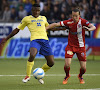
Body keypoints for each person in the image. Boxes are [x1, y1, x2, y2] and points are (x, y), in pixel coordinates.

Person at [0, 4, 54, 84]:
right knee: (32, 55)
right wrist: (7, 38)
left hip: (45, 41)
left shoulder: (43, 18)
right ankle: (27, 76)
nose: (36, 12)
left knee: (51, 63)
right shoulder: (27, 19)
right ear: (32, 10)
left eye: (38, 10)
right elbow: (17, 29)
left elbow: (49, 27)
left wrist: (62, 27)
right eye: (34, 10)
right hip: (35, 40)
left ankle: (40, 73)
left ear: (40, 11)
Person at [46, 8, 96, 84]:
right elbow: (56, 24)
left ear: (79, 15)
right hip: (71, 47)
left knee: (83, 67)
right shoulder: (69, 22)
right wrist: (45, 28)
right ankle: (67, 76)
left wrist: (89, 29)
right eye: (73, 16)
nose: (74, 18)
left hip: (81, 47)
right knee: (67, 65)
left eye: (76, 16)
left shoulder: (83, 22)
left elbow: (93, 27)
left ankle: (80, 76)